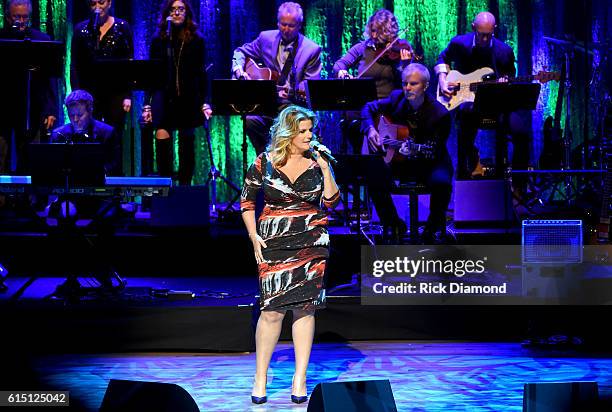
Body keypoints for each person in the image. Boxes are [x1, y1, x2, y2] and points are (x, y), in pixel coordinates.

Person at [241, 105, 339, 404]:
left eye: (311, 130)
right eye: (303, 131)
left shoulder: (318, 161)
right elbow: (246, 203)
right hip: (274, 241)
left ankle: (300, 376)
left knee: (305, 309)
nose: (310, 136)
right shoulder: (264, 162)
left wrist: (325, 168)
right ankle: (260, 376)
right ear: (288, 134)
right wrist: (254, 238)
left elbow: (332, 201)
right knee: (271, 311)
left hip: (311, 240)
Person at [361, 63, 453, 242]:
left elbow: (434, 150)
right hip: (400, 160)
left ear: (425, 86)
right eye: (405, 83)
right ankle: (393, 223)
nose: (407, 88)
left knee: (441, 182)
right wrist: (370, 130)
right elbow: (367, 108)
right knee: (373, 175)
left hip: (430, 161)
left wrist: (413, 152)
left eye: (413, 84)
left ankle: (432, 227)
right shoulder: (396, 98)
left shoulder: (440, 114)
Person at [435, 11, 530, 181]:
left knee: (521, 132)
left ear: (494, 29)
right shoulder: (459, 43)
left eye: (489, 35)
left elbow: (510, 77)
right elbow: (442, 58)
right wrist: (442, 80)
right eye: (481, 35)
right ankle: (467, 169)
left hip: (496, 105)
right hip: (467, 102)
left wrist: (505, 83)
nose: (485, 40)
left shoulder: (504, 51)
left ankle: (518, 186)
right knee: (465, 124)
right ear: (473, 28)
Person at [231, 2, 322, 154]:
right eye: (282, 24)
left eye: (291, 26)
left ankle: (282, 162)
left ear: (299, 25)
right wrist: (239, 69)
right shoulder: (265, 38)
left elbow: (311, 85)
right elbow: (241, 52)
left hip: (292, 107)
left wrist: (292, 92)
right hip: (267, 104)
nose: (286, 29)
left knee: (285, 125)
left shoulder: (311, 50)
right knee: (250, 120)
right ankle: (264, 158)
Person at [142, 0, 212, 185]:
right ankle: (166, 189)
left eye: (180, 9)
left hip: (188, 99)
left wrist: (206, 101)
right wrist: (147, 104)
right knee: (162, 140)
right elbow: (151, 74)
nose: (176, 13)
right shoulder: (159, 41)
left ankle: (185, 188)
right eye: (172, 10)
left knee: (186, 145)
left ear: (187, 12)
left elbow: (202, 74)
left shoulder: (197, 40)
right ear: (167, 14)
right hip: (163, 99)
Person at [0, 0, 58, 173]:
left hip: (32, 109)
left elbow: (50, 79)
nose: (21, 21)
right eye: (17, 17)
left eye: (25, 17)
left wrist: (50, 110)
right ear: (8, 17)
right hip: (3, 108)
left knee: (32, 159)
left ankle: (31, 200)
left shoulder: (41, 40)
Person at [71, 0, 133, 136]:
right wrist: (76, 94)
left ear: (109, 3)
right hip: (89, 93)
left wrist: (128, 95)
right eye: (93, 4)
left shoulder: (122, 27)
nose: (98, 8)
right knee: (91, 135)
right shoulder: (81, 29)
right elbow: (75, 64)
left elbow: (129, 64)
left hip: (116, 92)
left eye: (101, 2)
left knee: (114, 135)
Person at [50, 90, 120, 176]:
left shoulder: (107, 133)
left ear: (90, 111)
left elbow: (114, 163)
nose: (75, 119)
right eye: (71, 115)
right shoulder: (58, 134)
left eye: (80, 115)